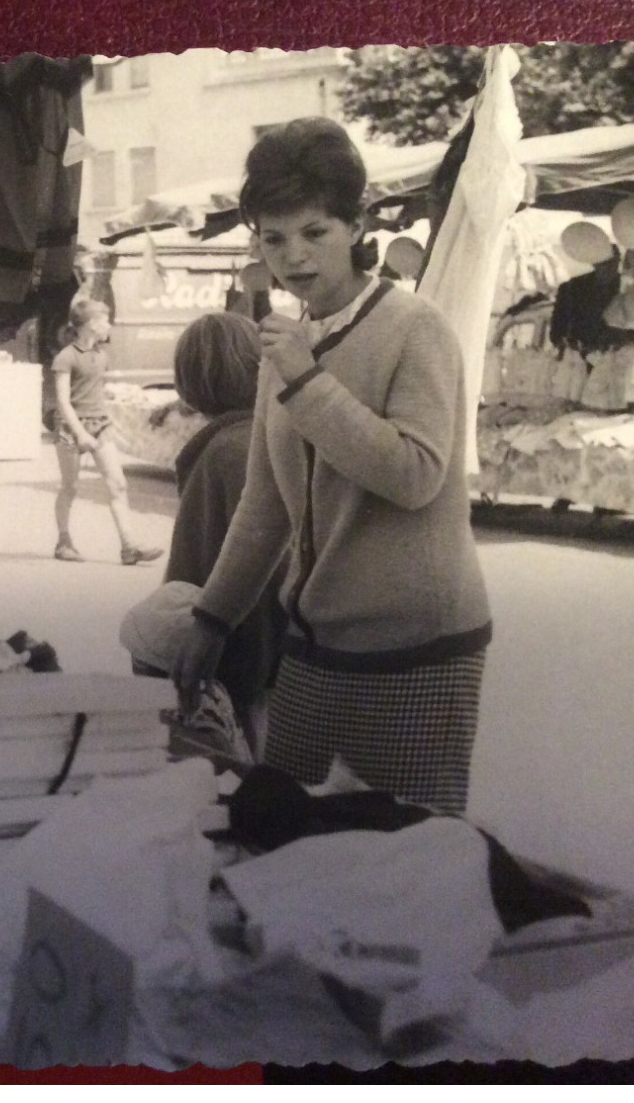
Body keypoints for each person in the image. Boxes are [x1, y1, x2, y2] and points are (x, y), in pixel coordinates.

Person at [171, 119, 492, 814]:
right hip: (314, 647)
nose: (295, 255)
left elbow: (416, 474)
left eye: (315, 232)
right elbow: (266, 504)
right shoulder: (290, 342)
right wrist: (213, 618)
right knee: (291, 842)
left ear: (356, 224)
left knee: (400, 863)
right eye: (274, 237)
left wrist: (307, 381)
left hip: (417, 650)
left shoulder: (416, 329)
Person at [163, 311, 285, 751]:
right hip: (286, 637)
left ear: (188, 382)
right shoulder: (271, 433)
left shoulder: (221, 453)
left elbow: (205, 562)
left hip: (240, 641)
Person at [49, 298, 163, 566]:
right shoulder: (66, 357)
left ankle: (129, 546)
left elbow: (94, 388)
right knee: (70, 487)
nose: (109, 324)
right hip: (71, 427)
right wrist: (80, 434)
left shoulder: (102, 356)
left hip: (100, 425)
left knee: (118, 484)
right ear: (89, 325)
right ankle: (63, 542)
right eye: (104, 320)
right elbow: (64, 402)